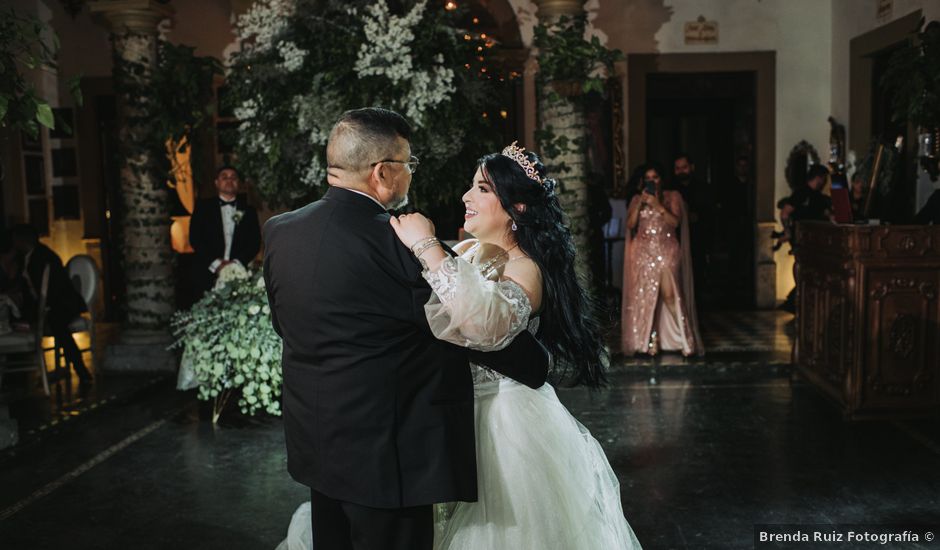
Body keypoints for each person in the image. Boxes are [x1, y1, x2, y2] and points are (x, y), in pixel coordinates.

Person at [264, 109, 549, 550]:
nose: (410, 176)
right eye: (409, 165)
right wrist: (536, 362)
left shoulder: (281, 232)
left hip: (317, 445)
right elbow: (466, 326)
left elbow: (285, 326)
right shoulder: (397, 242)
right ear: (383, 172)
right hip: (390, 457)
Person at [621, 163, 704, 357]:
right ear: (643, 181)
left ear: (661, 179)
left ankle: (685, 339)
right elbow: (631, 224)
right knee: (646, 297)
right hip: (642, 252)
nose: (652, 181)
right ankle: (651, 340)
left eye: (655, 177)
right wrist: (641, 203)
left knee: (668, 294)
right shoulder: (636, 199)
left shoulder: (672, 197)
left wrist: (658, 205)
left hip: (666, 250)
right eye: (648, 178)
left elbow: (675, 222)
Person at [10, 224, 91, 384]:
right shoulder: (23, 259)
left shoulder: (45, 257)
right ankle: (17, 375)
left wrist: (42, 309)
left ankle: (80, 367)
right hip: (44, 305)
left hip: (63, 303)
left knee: (57, 322)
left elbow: (53, 289)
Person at [189, 166, 261, 299]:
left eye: (233, 177)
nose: (229, 180)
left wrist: (236, 264)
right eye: (224, 177)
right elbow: (195, 238)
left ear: (238, 183)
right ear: (216, 183)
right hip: (208, 272)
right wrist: (217, 264)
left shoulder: (249, 211)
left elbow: (255, 241)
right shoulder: (202, 208)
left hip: (240, 273)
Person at [672, 153, 713, 293]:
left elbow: (710, 214)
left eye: (684, 167)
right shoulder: (671, 189)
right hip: (675, 240)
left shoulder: (703, 188)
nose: (681, 171)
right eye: (677, 168)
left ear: (691, 167)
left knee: (697, 277)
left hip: (697, 240)